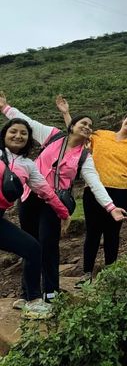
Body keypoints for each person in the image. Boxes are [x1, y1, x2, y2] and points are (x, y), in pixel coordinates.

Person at [0, 93, 127, 300]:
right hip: (29, 197)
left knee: (48, 243)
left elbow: (95, 183)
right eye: (83, 123)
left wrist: (111, 207)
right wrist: (5, 107)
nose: (87, 126)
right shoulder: (53, 136)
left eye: (90, 125)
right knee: (29, 244)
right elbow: (28, 123)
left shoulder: (85, 157)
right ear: (72, 126)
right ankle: (27, 293)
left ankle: (51, 291)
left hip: (54, 202)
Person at [57, 96, 127, 284]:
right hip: (94, 191)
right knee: (92, 233)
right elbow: (76, 134)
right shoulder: (101, 134)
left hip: (121, 192)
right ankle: (87, 274)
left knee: (112, 234)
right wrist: (66, 113)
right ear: (124, 119)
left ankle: (110, 274)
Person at [0, 118, 69, 319]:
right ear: (4, 134)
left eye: (24, 133)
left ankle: (32, 300)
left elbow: (46, 191)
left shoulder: (28, 165)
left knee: (32, 248)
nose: (18, 135)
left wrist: (63, 213)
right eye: (13, 131)